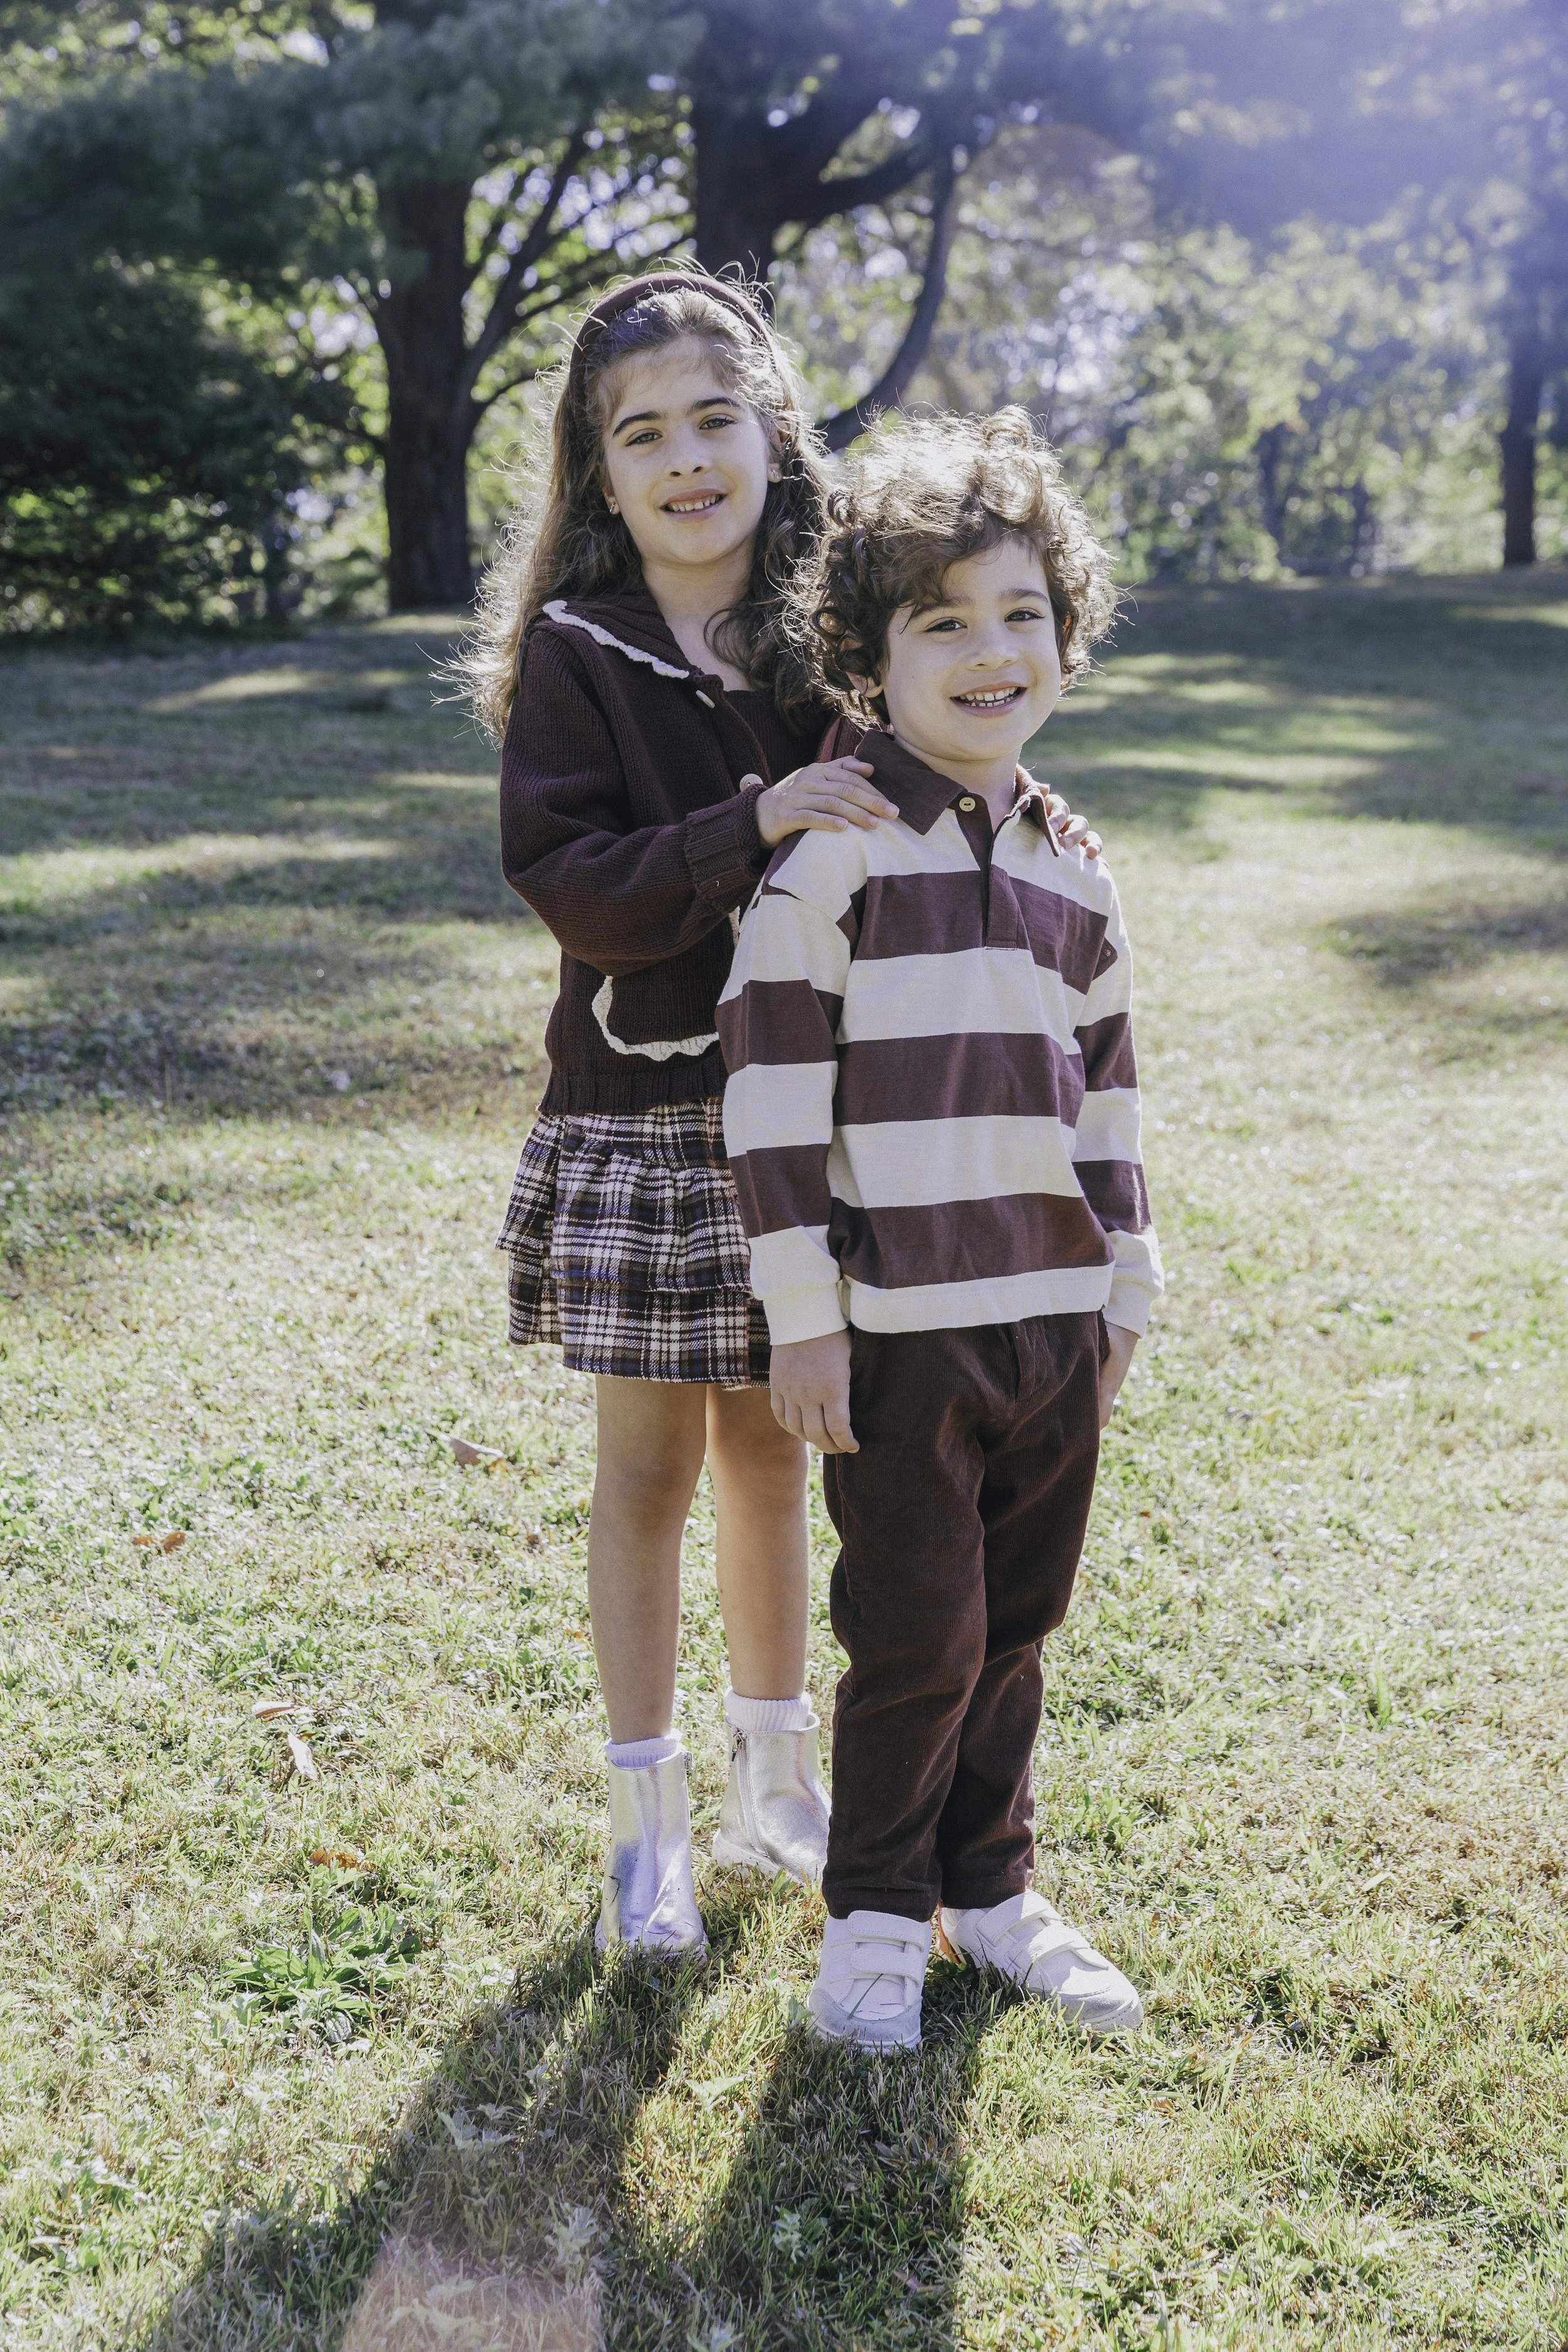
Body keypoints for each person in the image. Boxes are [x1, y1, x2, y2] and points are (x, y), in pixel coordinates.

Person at [458, 273, 1101, 1961]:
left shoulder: (832, 631)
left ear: (771, 434)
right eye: (640, 435)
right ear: (596, 475)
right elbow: (576, 889)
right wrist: (746, 822)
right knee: (649, 1464)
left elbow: (949, 742)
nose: (685, 461)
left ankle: (775, 1780)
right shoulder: (576, 657)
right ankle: (643, 1820)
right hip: (645, 1116)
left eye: (714, 422)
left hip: (824, 1119)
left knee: (774, 1446)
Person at [719, 408, 1162, 2044]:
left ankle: (990, 1884)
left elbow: (1103, 1092)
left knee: (1019, 1623)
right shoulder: (837, 852)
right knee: (914, 1635)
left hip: (1049, 1320)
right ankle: (877, 1922)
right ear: (865, 655)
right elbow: (766, 1093)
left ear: (1066, 631)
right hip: (895, 1328)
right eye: (942, 621)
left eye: (1021, 613)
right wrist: (805, 1315)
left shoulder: (1071, 867)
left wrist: (1124, 1280)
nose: (991, 651)